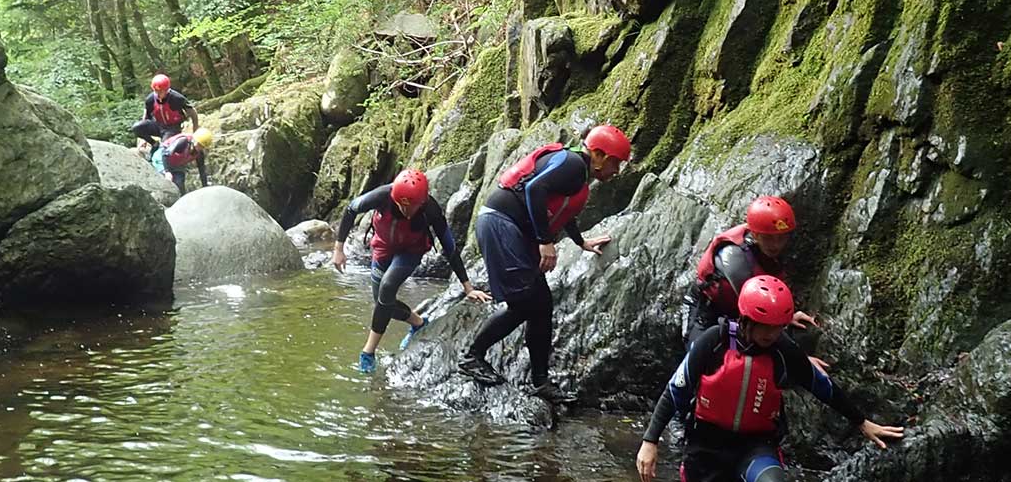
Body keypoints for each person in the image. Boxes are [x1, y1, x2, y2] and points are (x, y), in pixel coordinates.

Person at [636, 275, 907, 482]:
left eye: (777, 327)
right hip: (706, 448)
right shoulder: (714, 342)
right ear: (745, 319)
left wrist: (861, 422)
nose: (770, 334)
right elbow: (675, 390)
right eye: (764, 326)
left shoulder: (783, 350)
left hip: (755, 446)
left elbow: (822, 387)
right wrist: (650, 441)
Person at [453, 124, 632, 401]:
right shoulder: (573, 165)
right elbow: (535, 189)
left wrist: (580, 242)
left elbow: (562, 210)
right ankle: (471, 357)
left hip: (511, 227)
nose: (616, 171)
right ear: (598, 154)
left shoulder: (576, 171)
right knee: (525, 302)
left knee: (541, 304)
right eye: (615, 163)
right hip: (501, 223)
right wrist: (544, 240)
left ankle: (540, 382)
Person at [332, 169, 492, 373]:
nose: (406, 212)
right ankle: (418, 322)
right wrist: (338, 248)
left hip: (410, 253)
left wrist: (468, 287)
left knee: (387, 288)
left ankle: (368, 352)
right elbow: (351, 210)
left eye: (412, 207)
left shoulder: (430, 209)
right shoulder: (383, 195)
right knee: (381, 301)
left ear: (422, 203)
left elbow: (449, 247)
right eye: (401, 206)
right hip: (382, 248)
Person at [686, 196, 828, 376]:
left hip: (739, 315)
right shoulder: (734, 258)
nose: (776, 245)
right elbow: (763, 315)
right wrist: (801, 361)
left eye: (781, 238)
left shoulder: (767, 250)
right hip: (706, 313)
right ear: (755, 234)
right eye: (769, 238)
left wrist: (788, 316)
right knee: (699, 364)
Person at [131, 74, 201, 150]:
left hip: (172, 128)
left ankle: (163, 146)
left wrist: (195, 130)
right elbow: (146, 117)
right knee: (137, 127)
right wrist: (143, 140)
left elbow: (192, 112)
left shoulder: (176, 98)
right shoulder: (150, 99)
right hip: (158, 125)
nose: (157, 93)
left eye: (160, 91)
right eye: (156, 90)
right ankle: (154, 144)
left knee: (164, 148)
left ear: (166, 89)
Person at [152, 127, 213, 193]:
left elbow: (202, 171)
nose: (200, 148)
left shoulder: (199, 153)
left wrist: (205, 187)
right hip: (161, 159)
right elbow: (165, 154)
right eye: (199, 144)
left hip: (177, 164)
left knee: (179, 185)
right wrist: (167, 172)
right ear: (194, 140)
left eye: (202, 146)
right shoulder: (183, 142)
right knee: (168, 182)